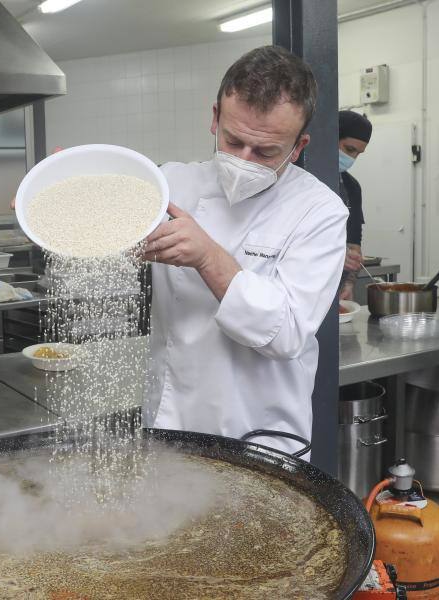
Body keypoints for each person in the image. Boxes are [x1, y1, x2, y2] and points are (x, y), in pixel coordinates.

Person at [142, 46, 348, 455]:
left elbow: (286, 333)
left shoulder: (320, 211)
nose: (244, 159)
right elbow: (108, 236)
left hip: (259, 432)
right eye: (233, 141)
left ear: (298, 144)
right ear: (215, 116)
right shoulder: (170, 183)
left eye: (266, 151)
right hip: (172, 419)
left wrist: (207, 256)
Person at [337, 110, 372, 300]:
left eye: (358, 153)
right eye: (349, 149)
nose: (352, 159)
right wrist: (334, 258)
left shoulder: (352, 187)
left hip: (335, 289)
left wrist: (349, 283)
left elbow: (354, 243)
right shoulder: (302, 178)